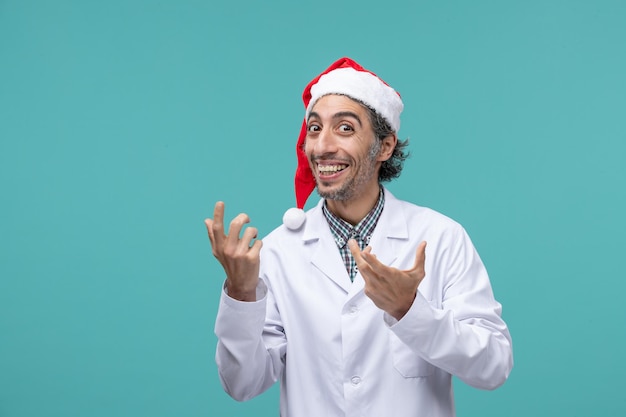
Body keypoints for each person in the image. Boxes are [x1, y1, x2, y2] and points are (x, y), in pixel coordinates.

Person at [205, 57, 513, 417]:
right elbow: (242, 384)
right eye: (315, 129)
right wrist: (242, 295)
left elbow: (493, 366)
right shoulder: (277, 250)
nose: (322, 146)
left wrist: (410, 310)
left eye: (345, 128)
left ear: (384, 147)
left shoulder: (441, 238)